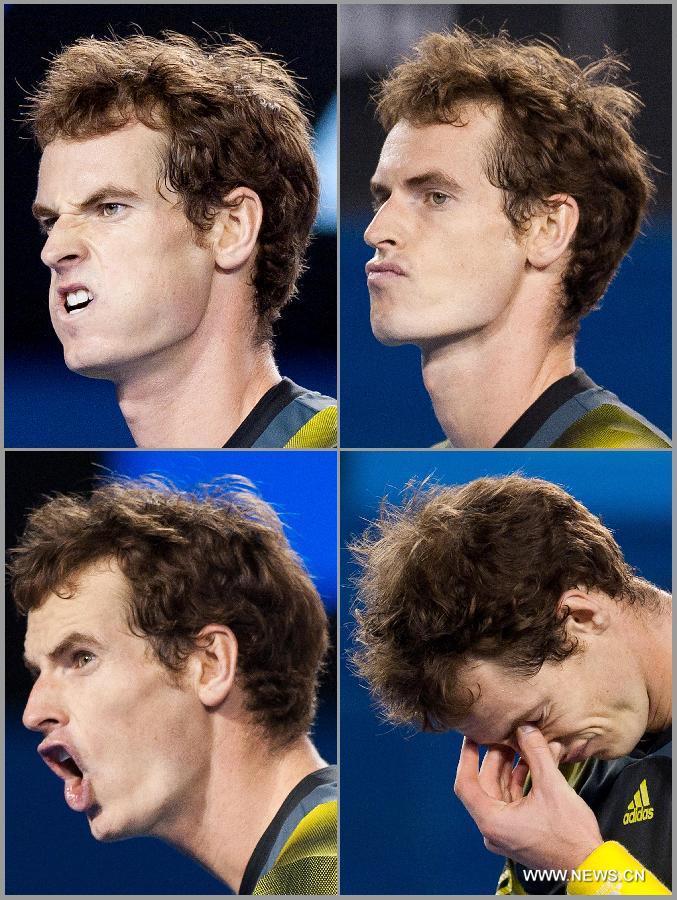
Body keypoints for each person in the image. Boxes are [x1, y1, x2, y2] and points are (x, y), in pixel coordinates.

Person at [9, 478, 337, 895]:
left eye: (82, 658)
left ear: (210, 665)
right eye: (38, 673)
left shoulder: (319, 876)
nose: (33, 712)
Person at [351, 475, 670, 894]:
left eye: (536, 718)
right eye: (507, 742)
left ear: (581, 618)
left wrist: (583, 864)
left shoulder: (566, 831)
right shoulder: (558, 792)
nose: (541, 755)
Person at [26, 32, 336, 448]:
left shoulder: (330, 441)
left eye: (109, 208)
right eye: (51, 221)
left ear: (230, 228)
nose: (54, 250)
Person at [364, 27, 670, 448]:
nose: (377, 230)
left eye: (436, 197)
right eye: (383, 197)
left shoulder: (623, 450)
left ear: (547, 229)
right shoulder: (444, 458)